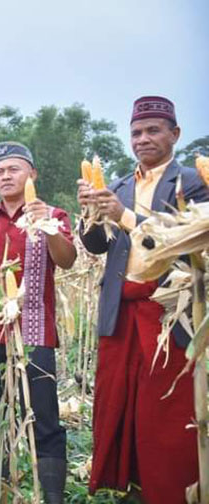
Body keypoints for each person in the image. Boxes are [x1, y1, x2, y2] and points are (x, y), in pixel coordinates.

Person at [80, 96, 209, 503]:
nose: (143, 138)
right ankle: (130, 484)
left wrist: (124, 215)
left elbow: (191, 242)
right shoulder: (118, 184)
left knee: (165, 411)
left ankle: (172, 490)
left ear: (175, 134)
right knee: (121, 403)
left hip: (170, 313)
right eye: (136, 132)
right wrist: (89, 214)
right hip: (121, 312)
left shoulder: (193, 182)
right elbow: (97, 245)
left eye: (154, 130)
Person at [0, 142, 75, 504]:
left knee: (43, 419)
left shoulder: (54, 214)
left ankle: (52, 495)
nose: (6, 176)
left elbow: (67, 260)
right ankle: (5, 488)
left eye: (14, 169)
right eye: (0, 171)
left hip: (35, 334)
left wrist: (48, 227)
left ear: (32, 175)